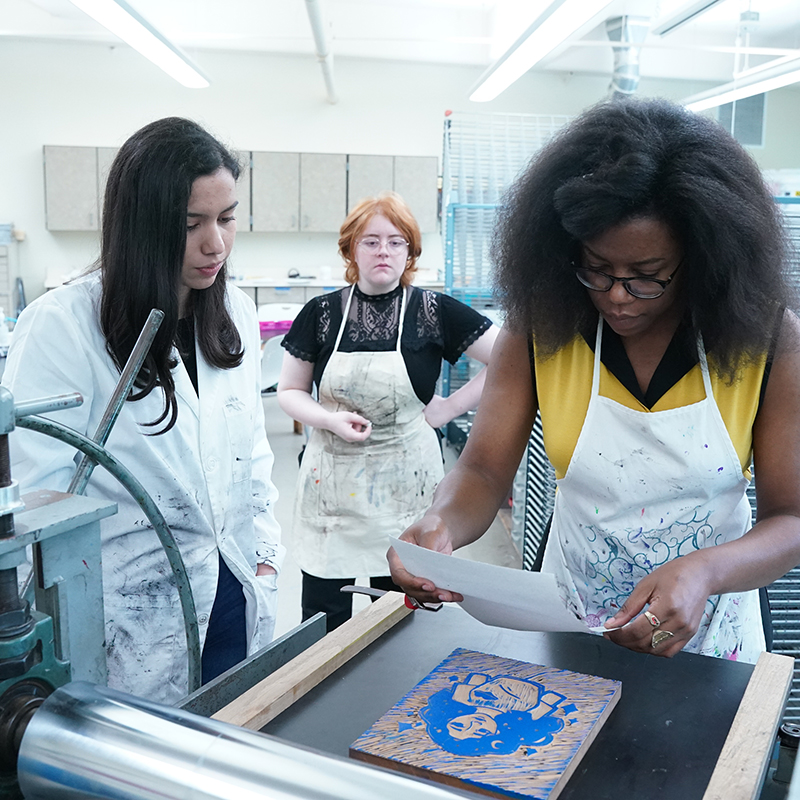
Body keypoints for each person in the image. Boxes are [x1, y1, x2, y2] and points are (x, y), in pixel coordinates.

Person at [388, 96, 800, 664]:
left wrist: (704, 571)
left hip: (710, 640)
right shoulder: (544, 328)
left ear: (704, 260)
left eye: (647, 277)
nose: (616, 295)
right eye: (597, 269)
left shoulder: (767, 342)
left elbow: (791, 518)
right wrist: (441, 525)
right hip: (572, 621)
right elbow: (482, 469)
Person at [4, 117, 284, 702]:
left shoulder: (231, 307)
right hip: (127, 623)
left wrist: (264, 562)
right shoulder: (63, 327)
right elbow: (37, 506)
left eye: (227, 217)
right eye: (191, 225)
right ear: (141, 225)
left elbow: (252, 456)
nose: (217, 244)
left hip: (233, 592)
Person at [277, 191, 499, 632]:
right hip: (332, 489)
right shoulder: (320, 313)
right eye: (371, 241)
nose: (384, 251)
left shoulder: (433, 312)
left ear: (410, 252)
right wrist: (327, 419)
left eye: (396, 242)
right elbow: (290, 391)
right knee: (323, 615)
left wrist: (447, 409)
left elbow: (509, 360)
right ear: (351, 249)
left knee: (401, 610)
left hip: (406, 487)